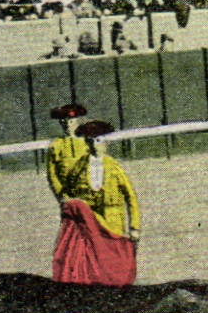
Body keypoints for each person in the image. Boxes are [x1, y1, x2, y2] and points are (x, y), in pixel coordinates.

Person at [50, 120, 141, 287]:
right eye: (90, 140)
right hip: (91, 222)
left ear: (106, 142)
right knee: (92, 259)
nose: (94, 145)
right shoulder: (79, 167)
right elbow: (68, 192)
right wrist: (70, 203)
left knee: (113, 258)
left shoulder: (114, 167)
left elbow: (131, 197)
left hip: (113, 220)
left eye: (98, 140)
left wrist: (134, 227)